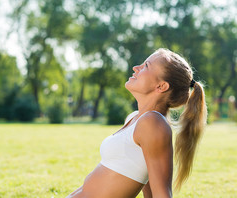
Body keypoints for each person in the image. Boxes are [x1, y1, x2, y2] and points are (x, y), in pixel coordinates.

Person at [67, 48, 207, 198]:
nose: (136, 67)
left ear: (161, 86)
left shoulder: (153, 124)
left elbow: (161, 194)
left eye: (146, 66)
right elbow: (149, 189)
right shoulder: (136, 118)